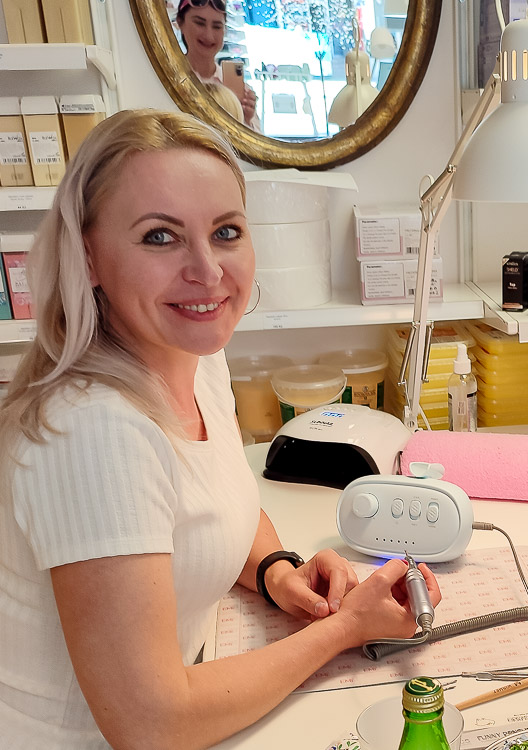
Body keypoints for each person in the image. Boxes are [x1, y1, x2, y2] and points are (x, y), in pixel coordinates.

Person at [0, 109, 441, 749]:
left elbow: (215, 499)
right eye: (160, 237)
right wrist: (344, 630)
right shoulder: (93, 432)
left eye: (226, 231)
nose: (207, 271)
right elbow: (151, 723)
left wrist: (278, 572)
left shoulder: (196, 358)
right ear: (88, 255)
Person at [175, 0, 260, 129]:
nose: (209, 36)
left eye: (217, 26)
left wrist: (246, 120)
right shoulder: (167, 77)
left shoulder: (238, 89)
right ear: (180, 22)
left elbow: (255, 140)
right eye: (199, 23)